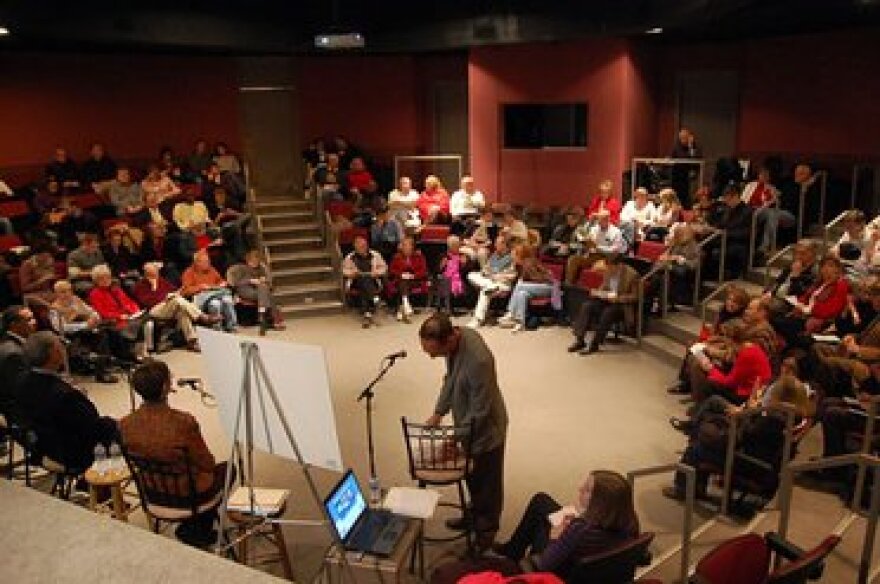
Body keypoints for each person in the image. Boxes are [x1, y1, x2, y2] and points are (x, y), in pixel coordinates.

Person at [421, 313, 508, 551]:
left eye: (435, 353)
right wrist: (439, 411)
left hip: (488, 428)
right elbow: (450, 379)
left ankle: (486, 533)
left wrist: (455, 436)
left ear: (450, 339)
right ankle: (472, 517)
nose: (431, 356)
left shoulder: (479, 360)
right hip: (467, 424)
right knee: (471, 474)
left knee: (487, 483)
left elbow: (481, 410)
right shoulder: (455, 341)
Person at [121, 360, 227, 547]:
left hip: (152, 494)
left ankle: (193, 527)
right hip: (188, 497)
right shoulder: (183, 422)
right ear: (165, 387)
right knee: (228, 469)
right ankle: (198, 529)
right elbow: (206, 463)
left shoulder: (124, 424)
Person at [491, 470, 640, 579]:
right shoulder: (630, 521)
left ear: (600, 503)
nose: (580, 488)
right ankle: (512, 549)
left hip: (563, 571)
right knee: (541, 501)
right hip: (597, 565)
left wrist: (554, 537)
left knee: (540, 524)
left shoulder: (579, 530)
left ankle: (512, 556)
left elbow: (545, 565)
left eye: (587, 490)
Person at [15, 331, 118, 471]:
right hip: (71, 454)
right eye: (60, 347)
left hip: (39, 447)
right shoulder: (65, 395)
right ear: (53, 354)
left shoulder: (20, 382)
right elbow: (92, 427)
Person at [131, 262, 221, 352]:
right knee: (176, 300)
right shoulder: (139, 286)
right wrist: (157, 291)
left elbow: (174, 290)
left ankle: (192, 341)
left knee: (182, 312)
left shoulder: (161, 281)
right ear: (147, 273)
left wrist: (177, 292)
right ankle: (203, 317)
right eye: (154, 272)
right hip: (153, 311)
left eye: (157, 271)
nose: (157, 274)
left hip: (169, 306)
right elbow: (147, 302)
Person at [568, 253, 639, 354]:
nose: (609, 270)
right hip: (607, 300)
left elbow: (635, 297)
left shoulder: (632, 275)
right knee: (587, 306)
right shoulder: (608, 271)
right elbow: (604, 287)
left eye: (611, 268)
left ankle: (595, 344)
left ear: (619, 265)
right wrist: (597, 292)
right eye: (608, 267)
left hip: (621, 305)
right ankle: (580, 340)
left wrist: (618, 299)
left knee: (608, 313)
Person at [771, 256, 849, 348]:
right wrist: (799, 303)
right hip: (803, 314)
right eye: (824, 266)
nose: (826, 269)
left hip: (817, 320)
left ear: (838, 269)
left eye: (831, 266)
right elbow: (806, 296)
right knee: (775, 319)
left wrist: (808, 309)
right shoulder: (819, 282)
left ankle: (787, 347)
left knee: (779, 323)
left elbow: (831, 310)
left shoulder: (840, 286)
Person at [227, 249, 286, 334]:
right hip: (245, 290)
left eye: (256, 261)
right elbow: (236, 283)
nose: (254, 263)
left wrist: (264, 280)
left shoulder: (261, 269)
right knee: (267, 295)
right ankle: (272, 320)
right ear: (248, 261)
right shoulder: (242, 268)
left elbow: (269, 284)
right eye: (252, 261)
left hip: (259, 291)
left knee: (264, 290)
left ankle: (262, 316)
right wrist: (250, 281)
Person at [498, 245, 556, 332]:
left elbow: (540, 279)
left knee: (520, 286)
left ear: (519, 255)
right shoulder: (521, 265)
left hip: (549, 287)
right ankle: (521, 323)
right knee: (522, 294)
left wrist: (525, 282)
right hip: (536, 288)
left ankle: (511, 312)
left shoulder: (528, 263)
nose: (511, 257)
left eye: (513, 255)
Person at [564, 210, 626, 285]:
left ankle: (592, 291)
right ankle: (568, 284)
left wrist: (598, 247)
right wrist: (585, 241)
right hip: (591, 255)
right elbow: (587, 238)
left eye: (600, 220)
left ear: (607, 219)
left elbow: (615, 250)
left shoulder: (616, 232)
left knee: (598, 267)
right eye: (598, 220)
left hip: (605, 258)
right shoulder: (594, 228)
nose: (598, 223)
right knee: (573, 259)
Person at [180, 250, 237, 333]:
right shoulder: (188, 273)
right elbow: (186, 291)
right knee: (215, 303)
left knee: (227, 300)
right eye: (205, 262)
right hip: (201, 298)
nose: (208, 263)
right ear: (197, 263)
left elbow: (219, 280)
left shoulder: (211, 269)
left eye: (208, 261)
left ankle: (231, 327)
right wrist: (201, 287)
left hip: (214, 293)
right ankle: (217, 329)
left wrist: (222, 283)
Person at [468, 236, 517, 328]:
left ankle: (478, 319)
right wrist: (484, 272)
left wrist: (498, 277)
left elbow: (513, 275)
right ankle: (490, 286)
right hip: (490, 282)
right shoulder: (495, 255)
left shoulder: (511, 257)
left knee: (485, 292)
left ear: (504, 245)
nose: (495, 245)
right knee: (471, 275)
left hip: (502, 284)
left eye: (497, 243)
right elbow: (486, 268)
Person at [743, 167, 794, 255]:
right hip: (752, 210)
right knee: (771, 213)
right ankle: (768, 246)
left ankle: (765, 247)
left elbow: (777, 204)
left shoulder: (772, 188)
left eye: (766, 176)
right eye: (762, 175)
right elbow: (744, 200)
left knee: (772, 214)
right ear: (758, 176)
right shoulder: (751, 185)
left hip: (767, 211)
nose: (764, 177)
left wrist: (772, 194)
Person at [707, 184, 753, 278]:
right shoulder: (727, 210)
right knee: (705, 245)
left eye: (728, 199)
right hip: (724, 239)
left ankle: (725, 274)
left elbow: (745, 233)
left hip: (738, 243)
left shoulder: (747, 211)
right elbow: (721, 225)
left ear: (735, 196)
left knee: (716, 251)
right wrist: (710, 228)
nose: (726, 202)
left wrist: (725, 233)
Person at [342, 235, 387, 328]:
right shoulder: (350, 257)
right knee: (362, 279)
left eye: (363, 246)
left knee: (365, 282)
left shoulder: (375, 255)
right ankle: (374, 300)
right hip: (356, 281)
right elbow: (344, 271)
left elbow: (384, 267)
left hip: (373, 280)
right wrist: (352, 273)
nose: (361, 248)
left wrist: (376, 273)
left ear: (366, 246)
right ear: (355, 247)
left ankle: (367, 314)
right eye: (359, 246)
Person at [0, 306, 37, 418]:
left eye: (33, 318)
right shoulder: (13, 354)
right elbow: (21, 390)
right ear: (14, 324)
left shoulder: (16, 343)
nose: (34, 322)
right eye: (29, 320)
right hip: (19, 412)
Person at [387, 237, 428, 323]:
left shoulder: (419, 256)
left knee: (403, 284)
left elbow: (424, 271)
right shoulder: (396, 257)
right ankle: (405, 306)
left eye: (408, 246)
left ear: (412, 247)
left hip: (415, 281)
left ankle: (402, 307)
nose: (406, 248)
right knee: (403, 282)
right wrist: (401, 274)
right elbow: (391, 270)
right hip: (400, 280)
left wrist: (413, 276)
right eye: (404, 246)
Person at [436, 235, 470, 313]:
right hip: (445, 280)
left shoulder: (463, 256)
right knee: (446, 281)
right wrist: (441, 266)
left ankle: (447, 307)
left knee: (447, 282)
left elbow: (467, 272)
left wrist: (464, 264)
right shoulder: (443, 256)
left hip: (460, 280)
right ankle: (447, 307)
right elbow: (437, 271)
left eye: (458, 245)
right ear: (449, 247)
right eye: (454, 246)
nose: (457, 248)